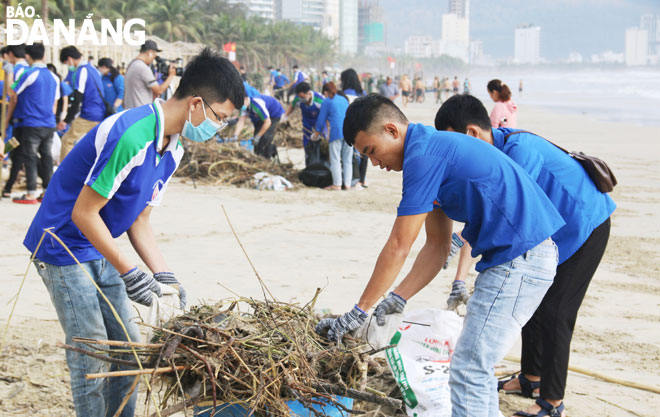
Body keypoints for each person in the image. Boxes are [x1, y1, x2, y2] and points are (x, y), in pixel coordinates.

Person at [23, 48, 244, 417]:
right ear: (196, 104)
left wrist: (162, 274)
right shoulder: (132, 134)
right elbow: (82, 213)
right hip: (62, 243)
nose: (217, 128)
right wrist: (129, 272)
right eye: (219, 118)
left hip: (100, 243)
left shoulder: (173, 150)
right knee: (90, 352)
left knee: (128, 348)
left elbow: (140, 220)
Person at [315, 94, 565, 417]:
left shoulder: (424, 155)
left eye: (371, 152)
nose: (374, 164)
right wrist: (397, 298)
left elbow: (399, 245)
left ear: (392, 130)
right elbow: (437, 247)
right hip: (522, 257)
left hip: (521, 257)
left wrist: (358, 312)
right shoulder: (432, 150)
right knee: (475, 367)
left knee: (468, 369)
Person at [435, 94, 616, 417]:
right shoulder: (492, 155)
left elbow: (507, 206)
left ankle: (552, 401)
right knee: (532, 302)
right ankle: (530, 376)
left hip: (585, 225)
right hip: (550, 235)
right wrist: (459, 274)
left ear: (473, 134)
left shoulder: (520, 151)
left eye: (454, 143)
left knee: (556, 312)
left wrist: (459, 239)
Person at [2, 43, 59, 204]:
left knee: (30, 157)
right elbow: (55, 103)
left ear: (27, 56)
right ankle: (47, 191)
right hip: (48, 123)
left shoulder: (29, 73)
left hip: (31, 123)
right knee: (47, 157)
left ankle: (31, 193)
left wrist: (9, 73)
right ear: (44, 56)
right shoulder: (53, 76)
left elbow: (12, 93)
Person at [57, 46, 106, 162]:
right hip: (100, 112)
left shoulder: (81, 71)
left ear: (69, 59)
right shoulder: (93, 68)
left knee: (67, 140)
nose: (68, 66)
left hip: (89, 114)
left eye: (66, 63)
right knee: (92, 146)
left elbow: (78, 97)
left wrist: (66, 120)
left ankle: (64, 173)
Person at [314, 82, 350, 190]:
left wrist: (317, 131)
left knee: (335, 159)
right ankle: (348, 184)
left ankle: (337, 184)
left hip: (336, 132)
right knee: (347, 159)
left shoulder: (327, 101)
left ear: (325, 92)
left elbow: (321, 118)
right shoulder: (344, 99)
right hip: (349, 131)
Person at [124, 40, 176, 109]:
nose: (153, 59)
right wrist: (171, 75)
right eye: (154, 55)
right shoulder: (143, 68)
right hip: (141, 113)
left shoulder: (131, 65)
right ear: (150, 52)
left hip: (131, 111)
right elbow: (159, 90)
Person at [285, 82, 324, 166]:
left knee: (320, 150)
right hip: (307, 128)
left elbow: (326, 116)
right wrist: (284, 117)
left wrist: (319, 132)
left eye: (302, 97)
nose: (300, 99)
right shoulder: (298, 99)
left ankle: (320, 168)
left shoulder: (320, 100)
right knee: (308, 149)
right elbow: (292, 106)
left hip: (319, 128)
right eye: (299, 97)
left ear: (309, 93)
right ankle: (309, 168)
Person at [341, 68, 367, 189]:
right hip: (364, 127)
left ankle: (354, 180)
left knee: (353, 155)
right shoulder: (363, 94)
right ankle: (362, 179)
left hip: (351, 128)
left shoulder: (343, 94)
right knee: (364, 154)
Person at [246, 93, 284, 159]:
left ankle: (268, 158)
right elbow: (241, 120)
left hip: (274, 114)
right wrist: (235, 135)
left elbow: (267, 122)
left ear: (246, 99)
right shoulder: (244, 106)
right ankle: (258, 156)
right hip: (263, 117)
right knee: (257, 136)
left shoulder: (256, 105)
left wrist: (258, 137)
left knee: (266, 136)